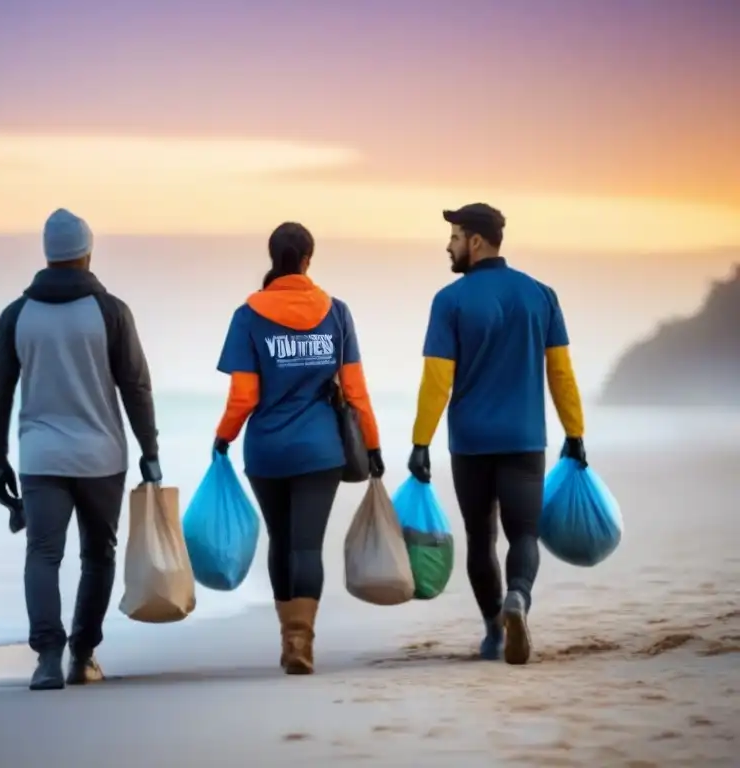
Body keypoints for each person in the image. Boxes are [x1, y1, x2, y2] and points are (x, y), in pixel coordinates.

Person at [0, 208, 162, 691]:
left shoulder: (17, 315)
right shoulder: (110, 312)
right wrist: (150, 449)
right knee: (97, 555)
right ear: (87, 253)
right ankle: (82, 657)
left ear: (48, 254)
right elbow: (136, 386)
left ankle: (46, 659)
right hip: (102, 456)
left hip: (40, 458)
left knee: (42, 554)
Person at [407, 203, 586, 666]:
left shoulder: (450, 300)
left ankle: (493, 632)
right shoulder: (541, 295)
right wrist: (575, 432)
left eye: (454, 237)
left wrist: (420, 442)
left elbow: (437, 380)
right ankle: (519, 599)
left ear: (476, 241)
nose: (448, 245)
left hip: (471, 443)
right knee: (524, 533)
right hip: (525, 439)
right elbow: (560, 373)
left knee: (480, 537)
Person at [213, 222, 384, 675]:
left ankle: (286, 637)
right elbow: (355, 389)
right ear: (309, 258)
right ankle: (301, 643)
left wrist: (223, 436)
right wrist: (372, 442)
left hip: (267, 451)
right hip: (319, 451)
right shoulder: (336, 312)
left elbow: (244, 396)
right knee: (306, 546)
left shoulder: (248, 315)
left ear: (273, 258)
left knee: (281, 542)